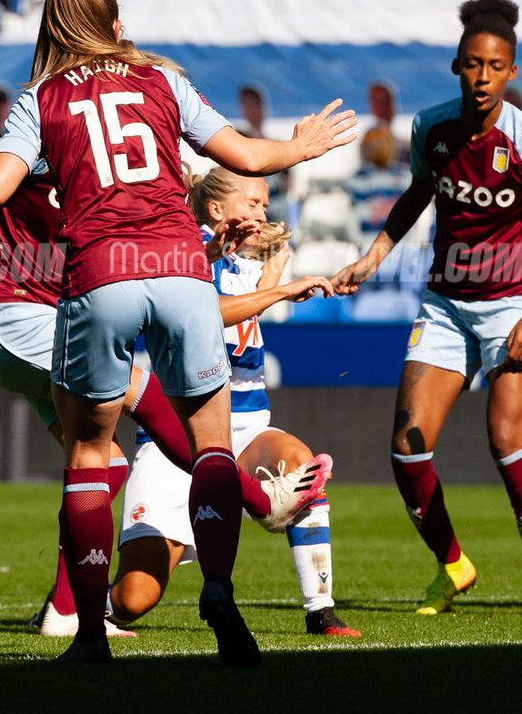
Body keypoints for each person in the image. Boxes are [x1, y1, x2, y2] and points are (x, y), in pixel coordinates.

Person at [0, 0, 356, 664]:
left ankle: (90, 634)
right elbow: (245, 156)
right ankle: (219, 589)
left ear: (54, 32)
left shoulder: (43, 97)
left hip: (99, 277)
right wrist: (301, 148)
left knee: (90, 453)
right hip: (181, 268)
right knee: (211, 446)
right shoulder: (162, 79)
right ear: (117, 26)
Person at [0, 145, 328, 639]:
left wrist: (208, 254)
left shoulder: (109, 180)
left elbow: (139, 264)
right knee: (146, 397)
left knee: (106, 463)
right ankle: (257, 499)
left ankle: (64, 611)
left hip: (31, 322)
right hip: (18, 314)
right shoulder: (53, 129)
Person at [333, 0, 522, 618]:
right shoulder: (431, 129)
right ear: (456, 66)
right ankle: (453, 567)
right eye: (472, 64)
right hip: (445, 304)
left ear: (511, 72)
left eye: (495, 66)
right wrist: (373, 256)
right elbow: (418, 196)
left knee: (505, 438)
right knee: (407, 446)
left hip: (511, 307)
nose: (482, 77)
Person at [111, 167, 359, 638]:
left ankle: (321, 612)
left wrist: (274, 277)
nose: (263, 213)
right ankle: (78, 604)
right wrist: (280, 288)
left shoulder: (248, 262)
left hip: (246, 425)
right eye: (253, 203)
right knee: (134, 598)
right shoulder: (186, 250)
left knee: (302, 469)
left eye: (266, 204)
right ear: (218, 209)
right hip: (176, 439)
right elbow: (207, 313)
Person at [347, 125, 408, 236]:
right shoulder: (405, 178)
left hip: (366, 246)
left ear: (363, 149)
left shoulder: (356, 181)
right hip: (398, 245)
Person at [364, 79, 409, 166]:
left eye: (386, 102)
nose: (383, 109)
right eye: (378, 103)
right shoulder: (369, 142)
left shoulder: (406, 147)